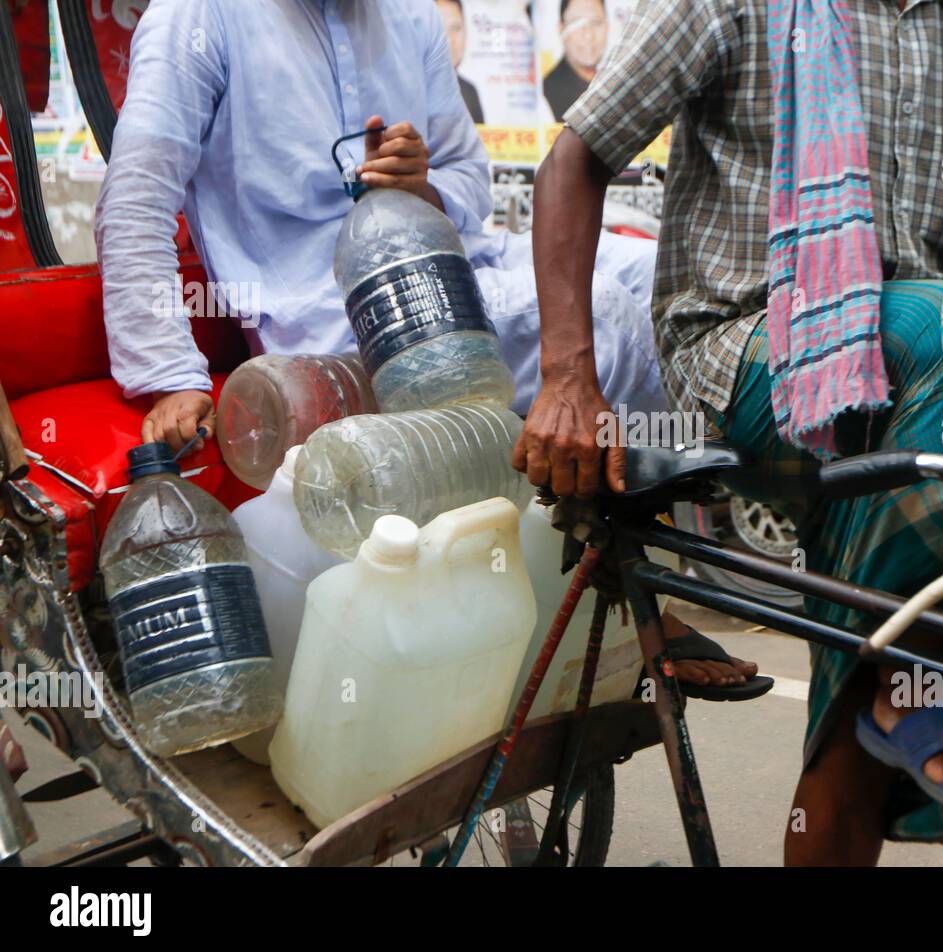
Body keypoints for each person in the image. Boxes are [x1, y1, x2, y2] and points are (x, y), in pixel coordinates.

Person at [516, 0, 943, 864]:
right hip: (749, 354)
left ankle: (899, 688)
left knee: (862, 684)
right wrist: (569, 376)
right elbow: (578, 152)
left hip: (912, 388)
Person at [95, 0, 761, 697]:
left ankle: (634, 546)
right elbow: (138, 196)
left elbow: (470, 183)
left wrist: (426, 185)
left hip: (462, 260)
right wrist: (171, 374)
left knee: (669, 280)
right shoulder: (196, 17)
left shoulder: (408, 16)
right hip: (337, 314)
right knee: (603, 316)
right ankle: (624, 593)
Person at [542, 0, 606, 119]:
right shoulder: (548, 94)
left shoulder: (611, 85)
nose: (588, 35)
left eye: (596, 22)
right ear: (561, 29)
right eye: (576, 23)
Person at [434, 0, 485, 124]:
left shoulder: (469, 92)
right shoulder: (409, 90)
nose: (450, 40)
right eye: (440, 29)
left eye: (455, 28)